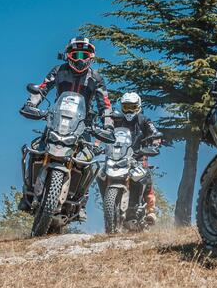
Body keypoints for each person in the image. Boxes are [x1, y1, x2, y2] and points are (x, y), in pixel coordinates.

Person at [20, 37, 113, 221]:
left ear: (90, 57)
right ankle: (28, 192)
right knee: (35, 149)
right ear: (68, 55)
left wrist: (108, 125)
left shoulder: (96, 78)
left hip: (83, 125)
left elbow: (105, 105)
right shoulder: (59, 71)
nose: (79, 59)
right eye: (75, 54)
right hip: (56, 120)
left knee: (88, 159)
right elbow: (42, 89)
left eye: (84, 55)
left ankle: (82, 202)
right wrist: (31, 104)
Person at [113, 92, 162, 224]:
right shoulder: (117, 119)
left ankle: (151, 210)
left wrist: (156, 141)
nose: (129, 110)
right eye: (126, 107)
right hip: (118, 156)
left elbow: (154, 131)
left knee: (146, 177)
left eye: (132, 107)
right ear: (121, 107)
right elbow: (107, 131)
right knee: (102, 173)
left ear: (138, 107)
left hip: (139, 156)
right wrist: (97, 144)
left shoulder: (144, 120)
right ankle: (111, 208)